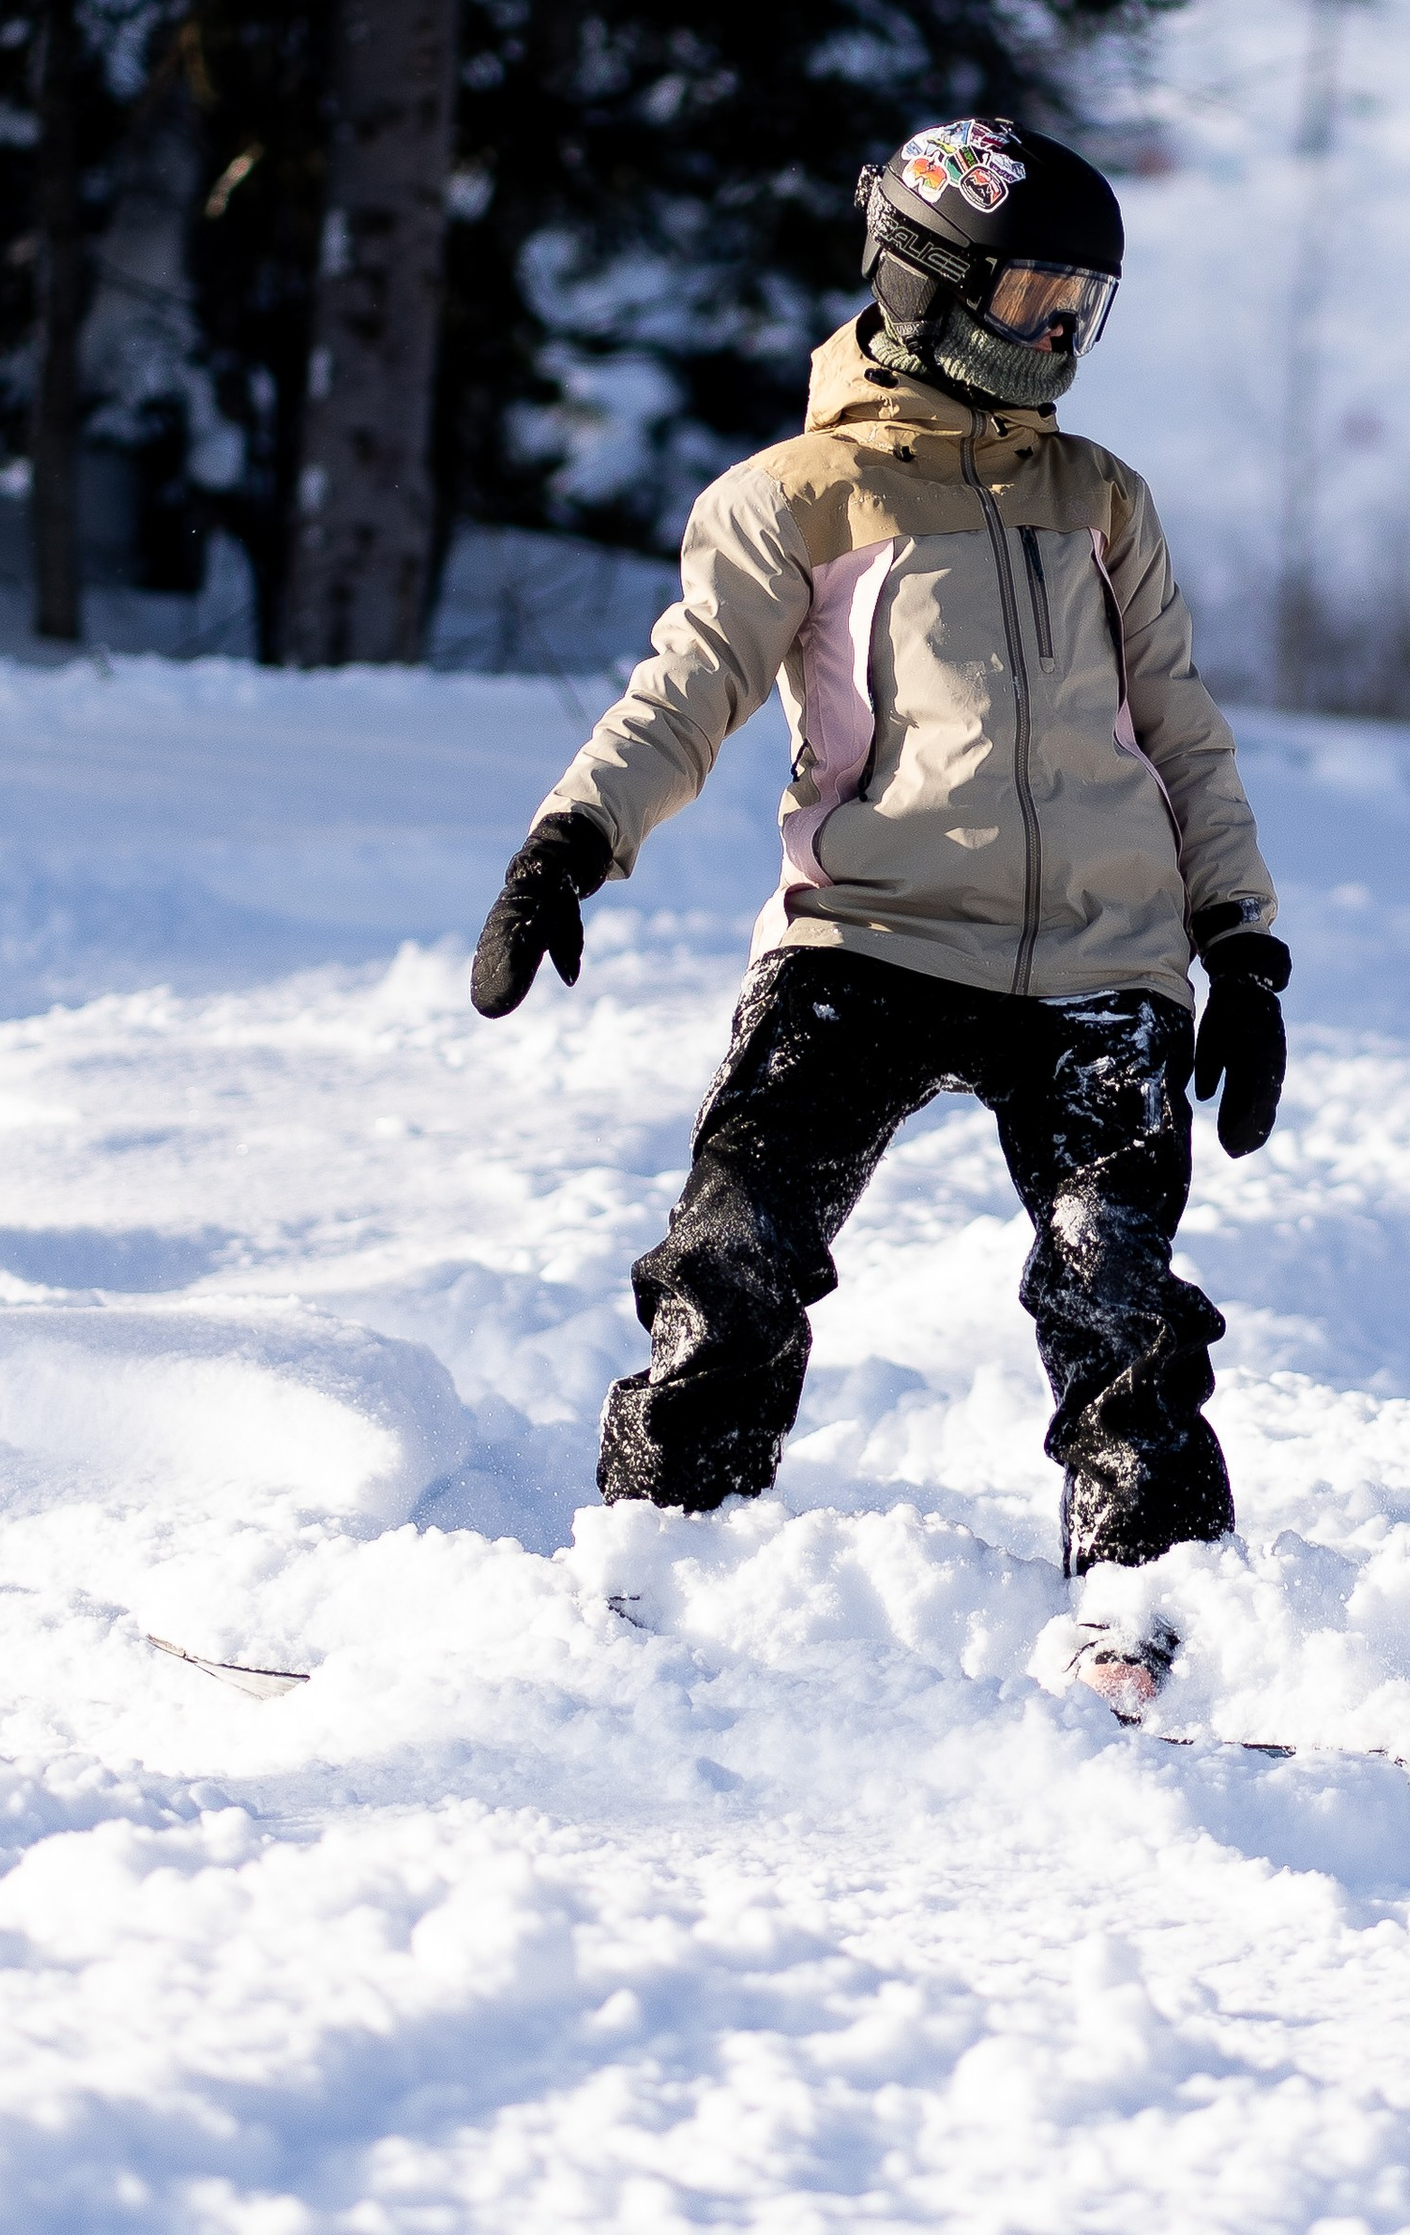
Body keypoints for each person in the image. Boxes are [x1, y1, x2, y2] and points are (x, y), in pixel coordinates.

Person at [469, 111, 1288, 1585]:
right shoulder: (795, 497)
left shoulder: (1099, 498)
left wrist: (1239, 937)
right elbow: (687, 688)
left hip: (1101, 960)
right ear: (922, 277)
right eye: (1028, 294)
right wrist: (570, 839)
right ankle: (665, 1558)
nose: (1055, 332)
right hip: (870, 938)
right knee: (734, 1252)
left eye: (1077, 304)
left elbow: (1182, 731)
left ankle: (1156, 1600)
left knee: (1120, 1293)